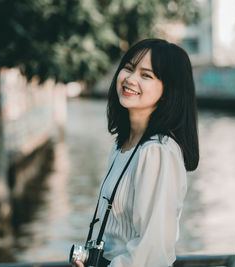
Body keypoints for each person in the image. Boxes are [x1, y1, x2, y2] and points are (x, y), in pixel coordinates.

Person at [75, 38, 199, 267]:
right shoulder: (121, 145)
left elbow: (152, 250)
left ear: (168, 91)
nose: (130, 79)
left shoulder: (158, 152)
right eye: (129, 68)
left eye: (146, 75)